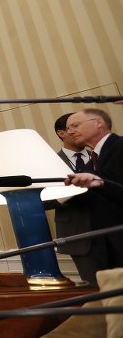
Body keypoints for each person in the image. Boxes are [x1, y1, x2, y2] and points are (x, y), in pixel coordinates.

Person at [63, 108, 123, 284]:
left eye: (75, 125)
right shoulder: (91, 163)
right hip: (105, 245)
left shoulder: (120, 147)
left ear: (98, 123)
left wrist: (102, 185)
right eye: (67, 129)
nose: (69, 132)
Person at [44, 113, 96, 283]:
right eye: (75, 126)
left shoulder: (102, 156)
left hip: (113, 231)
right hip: (77, 235)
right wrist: (73, 190)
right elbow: (43, 201)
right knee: (96, 288)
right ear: (62, 133)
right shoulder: (49, 162)